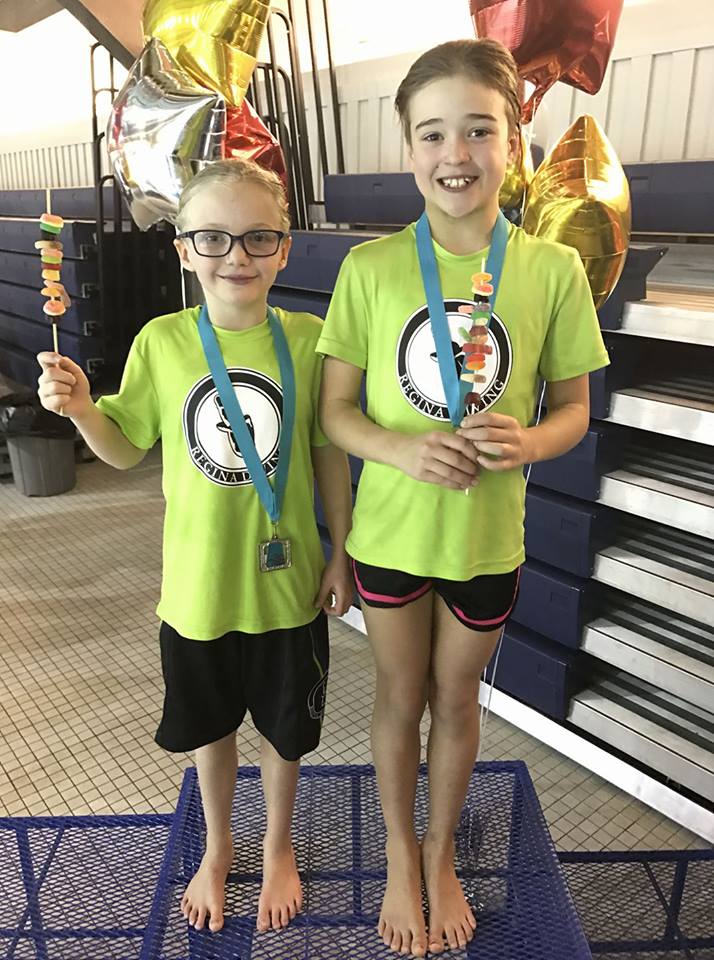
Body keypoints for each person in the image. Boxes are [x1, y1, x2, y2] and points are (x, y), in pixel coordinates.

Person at [317, 38, 609, 958]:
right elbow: (334, 413)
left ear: (514, 143)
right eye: (433, 133)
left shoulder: (551, 271)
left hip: (486, 541)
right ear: (408, 148)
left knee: (457, 697)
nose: (456, 154)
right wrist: (402, 448)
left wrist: (531, 441)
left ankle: (440, 851)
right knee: (399, 695)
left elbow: (572, 411)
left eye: (479, 130)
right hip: (392, 538)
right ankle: (398, 854)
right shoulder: (371, 269)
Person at [37, 158, 353, 936]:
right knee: (211, 730)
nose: (236, 256)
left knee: (284, 731)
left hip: (288, 587)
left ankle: (277, 845)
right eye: (213, 238)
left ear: (284, 248)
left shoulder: (311, 341)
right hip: (196, 590)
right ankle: (219, 844)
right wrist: (83, 410)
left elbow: (327, 455)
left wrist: (341, 551)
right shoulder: (164, 341)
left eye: (257, 238)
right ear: (184, 249)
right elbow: (123, 449)